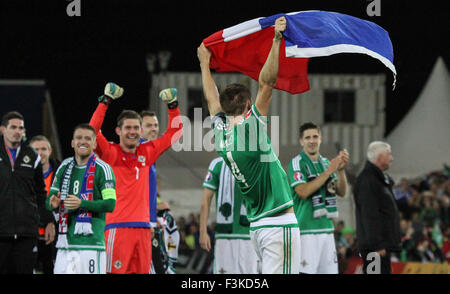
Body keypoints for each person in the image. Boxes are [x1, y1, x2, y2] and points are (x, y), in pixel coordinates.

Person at [198, 16, 300, 274]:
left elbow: (211, 100)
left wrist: (204, 64)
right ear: (247, 105)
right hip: (279, 224)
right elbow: (267, 83)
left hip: (257, 227)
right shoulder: (250, 128)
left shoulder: (221, 135)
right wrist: (276, 40)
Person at [89, 83, 183, 274]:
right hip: (117, 227)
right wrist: (105, 101)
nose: (132, 131)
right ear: (118, 131)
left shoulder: (147, 152)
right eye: (128, 128)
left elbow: (175, 133)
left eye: (136, 128)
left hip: (143, 229)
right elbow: (92, 130)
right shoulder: (110, 153)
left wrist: (173, 106)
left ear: (141, 131)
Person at [46, 124, 116, 274]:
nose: (82, 141)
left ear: (95, 143)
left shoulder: (104, 169)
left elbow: (110, 204)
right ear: (72, 142)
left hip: (91, 245)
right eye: (79, 138)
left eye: (87, 138)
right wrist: (53, 204)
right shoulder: (64, 166)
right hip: (65, 245)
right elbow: (49, 200)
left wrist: (82, 203)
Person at [287, 122, 349, 274]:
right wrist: (328, 172)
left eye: (315, 136)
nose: (312, 140)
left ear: (320, 138)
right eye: (307, 137)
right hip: (306, 231)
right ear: (301, 141)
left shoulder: (326, 163)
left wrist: (340, 171)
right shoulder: (296, 163)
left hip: (327, 229)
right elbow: (302, 191)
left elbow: (341, 192)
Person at [0, 111, 54, 274]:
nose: (18, 131)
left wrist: (48, 221)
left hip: (27, 233)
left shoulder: (32, 157)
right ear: (3, 129)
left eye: (21, 128)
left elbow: (40, 193)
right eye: (13, 127)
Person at [200, 157, 259, 274]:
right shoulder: (217, 164)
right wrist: (203, 232)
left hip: (247, 237)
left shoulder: (256, 163)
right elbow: (206, 200)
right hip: (227, 237)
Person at [353, 141, 401, 274]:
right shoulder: (368, 181)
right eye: (389, 154)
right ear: (380, 157)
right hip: (374, 248)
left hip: (381, 245)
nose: (392, 158)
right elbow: (369, 215)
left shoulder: (379, 179)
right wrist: (377, 244)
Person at [30, 135, 61, 274]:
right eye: (36, 149)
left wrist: (52, 221)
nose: (40, 153)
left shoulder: (62, 173)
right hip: (31, 234)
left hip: (56, 235)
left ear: (50, 151)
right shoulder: (21, 174)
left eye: (43, 149)